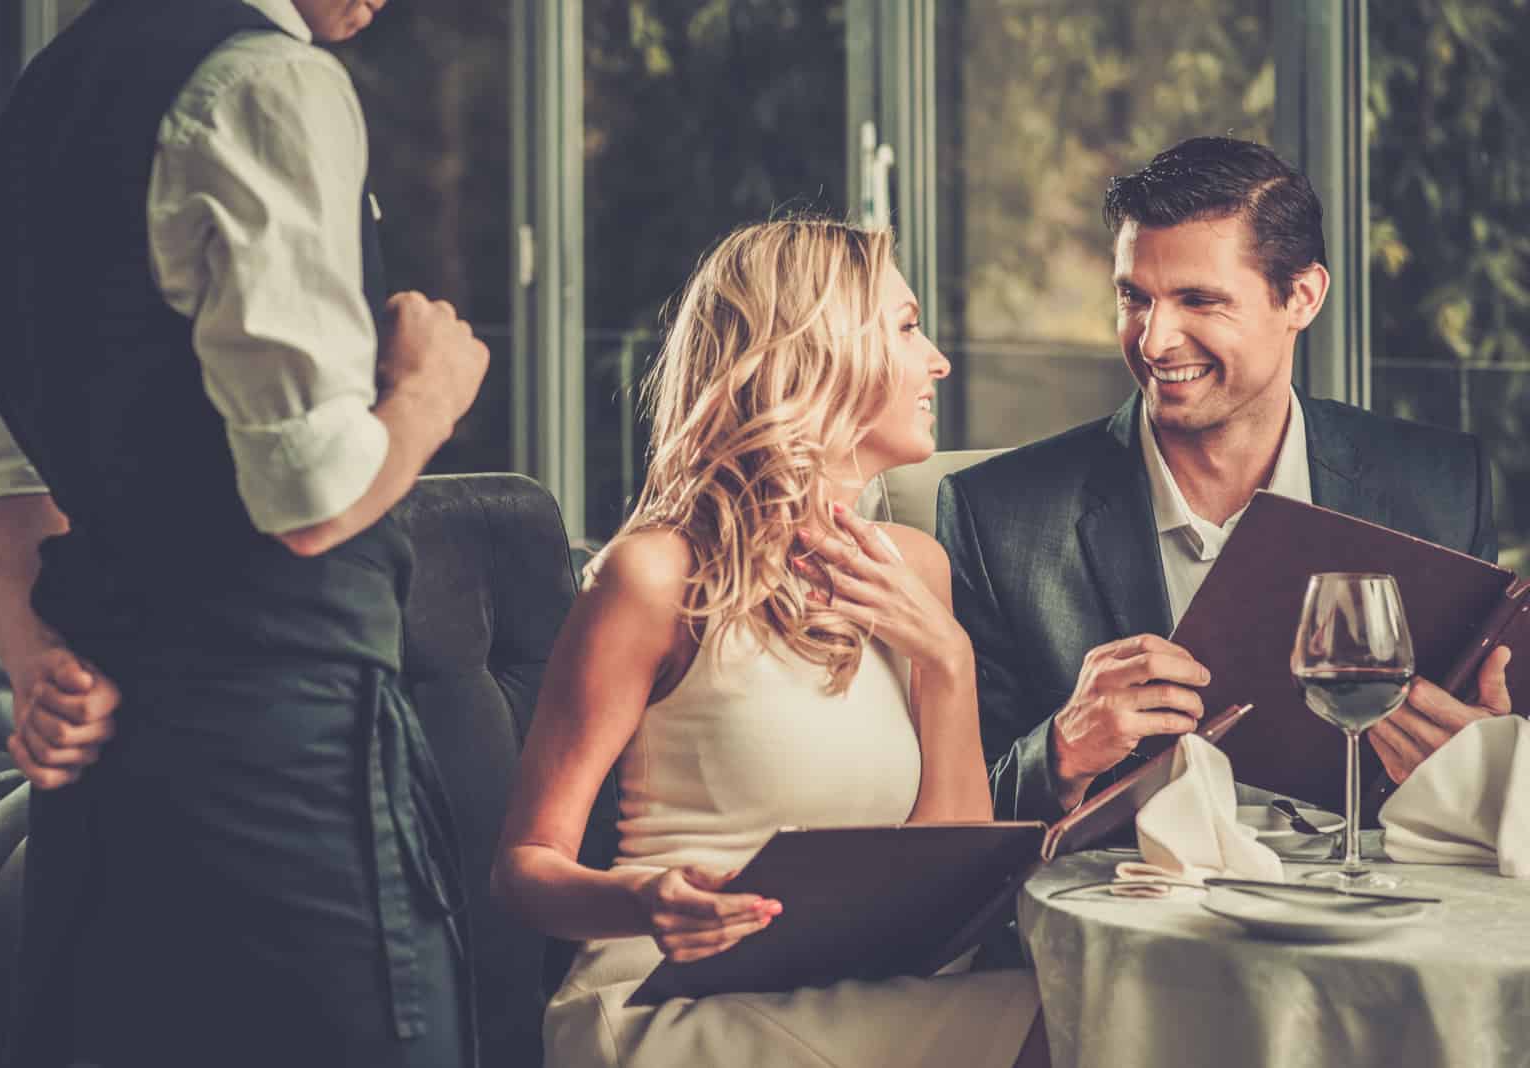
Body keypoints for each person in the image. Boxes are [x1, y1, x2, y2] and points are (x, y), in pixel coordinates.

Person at [0, 0, 488, 1063]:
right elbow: (312, 498)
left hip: (107, 790)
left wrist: (33, 654)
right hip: (284, 761)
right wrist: (431, 391)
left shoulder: (43, 105)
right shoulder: (265, 81)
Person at [491, 219, 1045, 1068]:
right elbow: (524, 869)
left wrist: (948, 661)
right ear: (815, 351)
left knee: (1102, 1007)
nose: (936, 359)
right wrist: (648, 901)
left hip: (861, 988)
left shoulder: (917, 569)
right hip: (671, 1006)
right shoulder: (655, 575)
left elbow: (944, 881)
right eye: (904, 327)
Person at [938, 136, 1513, 823]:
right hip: (1128, 916)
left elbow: (1488, 764)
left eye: (1199, 301)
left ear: (1301, 296)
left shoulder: (1443, 487)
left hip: (1376, 910)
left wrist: (1489, 764)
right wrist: (1062, 750)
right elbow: (960, 830)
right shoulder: (995, 515)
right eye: (1134, 298)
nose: (1153, 341)